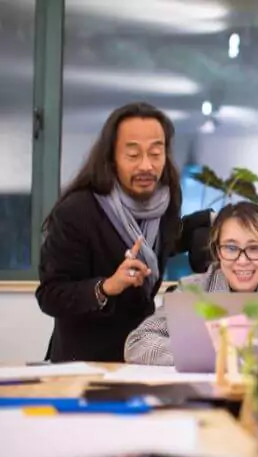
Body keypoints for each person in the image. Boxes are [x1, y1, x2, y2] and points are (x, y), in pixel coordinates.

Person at [36, 102, 201, 362]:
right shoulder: (78, 210)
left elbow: (157, 243)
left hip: (143, 355)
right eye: (133, 155)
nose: (146, 165)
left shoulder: (167, 199)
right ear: (111, 157)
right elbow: (50, 295)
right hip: (85, 362)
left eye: (156, 153)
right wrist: (107, 286)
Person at [125, 202, 258, 365]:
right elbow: (137, 343)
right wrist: (207, 354)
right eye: (230, 248)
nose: (242, 260)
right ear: (218, 252)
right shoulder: (192, 290)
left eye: (254, 248)